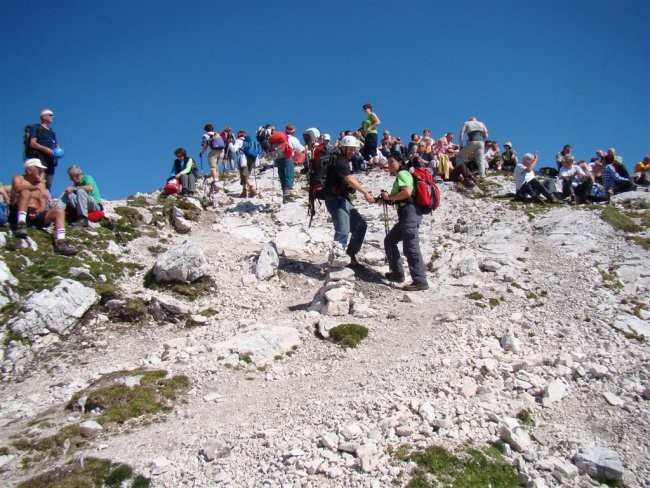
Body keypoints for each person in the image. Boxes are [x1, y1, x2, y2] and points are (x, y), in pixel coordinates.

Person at [380, 152, 429, 291]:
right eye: (388, 162)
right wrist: (385, 198)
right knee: (389, 241)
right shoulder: (400, 176)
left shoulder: (402, 174)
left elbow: (407, 193)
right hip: (406, 213)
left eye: (391, 161)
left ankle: (420, 281)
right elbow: (399, 197)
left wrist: (389, 197)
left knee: (410, 246)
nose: (389, 165)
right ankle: (397, 273)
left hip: (409, 212)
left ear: (400, 162)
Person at [324, 135, 375, 268]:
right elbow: (350, 180)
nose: (353, 152)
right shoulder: (340, 161)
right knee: (343, 230)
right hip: (334, 199)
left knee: (360, 226)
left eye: (354, 149)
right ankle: (336, 262)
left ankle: (349, 256)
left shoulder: (344, 161)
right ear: (344, 147)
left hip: (342, 199)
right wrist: (365, 193)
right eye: (351, 149)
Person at [10, 159, 76, 255]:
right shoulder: (18, 178)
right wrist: (33, 188)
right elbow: (17, 188)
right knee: (25, 192)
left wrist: (37, 211)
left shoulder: (41, 184)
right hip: (17, 211)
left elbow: (43, 204)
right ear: (29, 170)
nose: (41, 172)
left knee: (59, 211)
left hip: (35, 214)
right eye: (39, 169)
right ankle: (21, 223)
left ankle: (61, 242)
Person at [28, 108, 60, 190]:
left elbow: (55, 144)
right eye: (50, 115)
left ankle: (47, 199)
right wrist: (45, 149)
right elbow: (32, 143)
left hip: (51, 160)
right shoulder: (36, 128)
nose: (52, 117)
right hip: (40, 158)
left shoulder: (52, 131)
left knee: (49, 182)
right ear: (44, 117)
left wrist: (58, 149)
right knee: (40, 180)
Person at [232, 131, 258, 198]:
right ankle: (244, 191)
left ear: (238, 135)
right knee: (246, 174)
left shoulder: (238, 141)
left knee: (244, 175)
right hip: (252, 158)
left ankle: (252, 189)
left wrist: (230, 144)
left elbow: (233, 149)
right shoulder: (250, 141)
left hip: (244, 159)